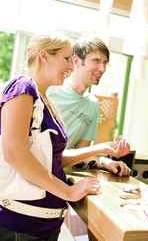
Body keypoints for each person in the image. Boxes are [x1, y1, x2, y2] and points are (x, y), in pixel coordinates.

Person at [0, 33, 126, 240]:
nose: (71, 66)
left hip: (43, 226)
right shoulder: (23, 86)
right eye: (66, 59)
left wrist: (102, 149)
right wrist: (68, 192)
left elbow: (52, 160)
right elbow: (14, 153)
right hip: (21, 226)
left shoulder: (44, 99)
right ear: (44, 56)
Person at [47, 36, 130, 175]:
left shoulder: (93, 105)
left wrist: (105, 162)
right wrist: (102, 150)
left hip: (59, 176)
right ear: (76, 61)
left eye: (105, 63)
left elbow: (80, 155)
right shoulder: (50, 90)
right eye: (96, 61)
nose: (102, 68)